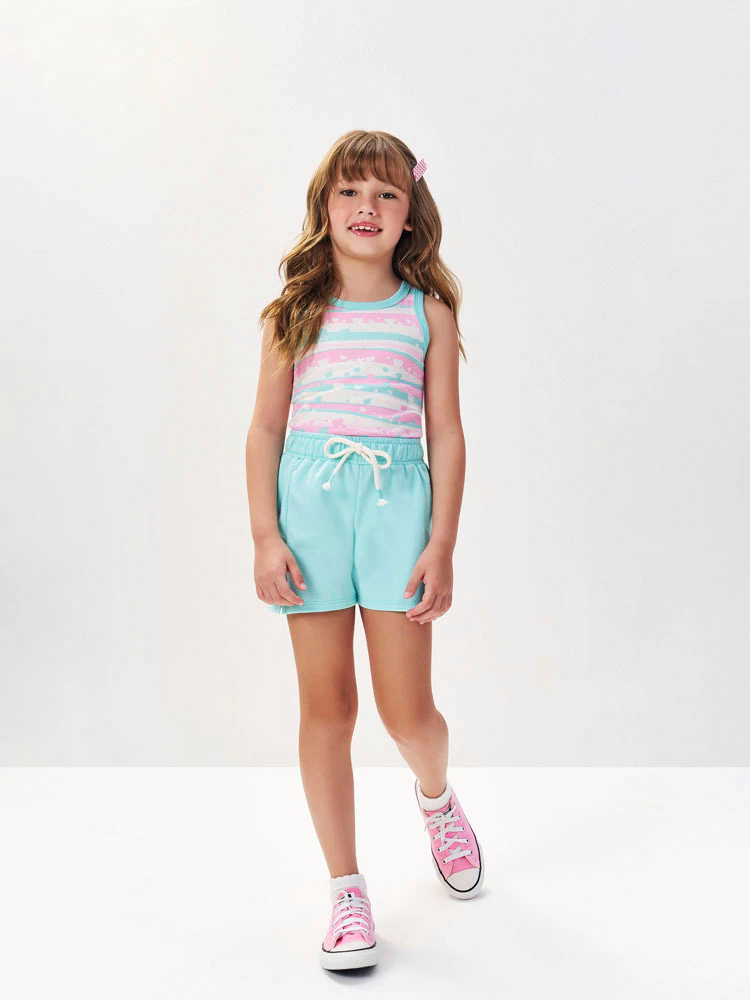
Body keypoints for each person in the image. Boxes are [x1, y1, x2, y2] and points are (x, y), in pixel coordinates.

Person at [245, 130, 484, 971]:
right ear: (325, 206)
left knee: (406, 712)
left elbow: (446, 433)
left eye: (386, 192)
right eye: (349, 191)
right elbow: (266, 429)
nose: (367, 207)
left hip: (396, 512)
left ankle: (437, 799)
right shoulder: (293, 313)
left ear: (411, 212)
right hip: (310, 513)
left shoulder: (428, 314)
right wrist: (267, 534)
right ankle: (346, 888)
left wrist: (441, 543)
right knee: (328, 709)